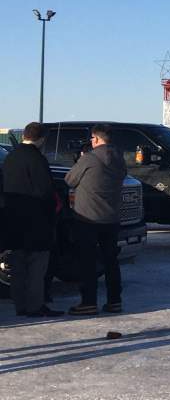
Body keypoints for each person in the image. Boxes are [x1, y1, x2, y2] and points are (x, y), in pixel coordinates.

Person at [65, 123, 128, 315]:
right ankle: (114, 300)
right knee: (111, 261)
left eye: (92, 138)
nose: (91, 141)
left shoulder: (89, 159)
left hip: (88, 218)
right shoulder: (119, 159)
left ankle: (88, 302)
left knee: (88, 261)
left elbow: (69, 180)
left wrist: (80, 160)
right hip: (112, 217)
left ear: (97, 139)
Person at [2, 122, 62, 317]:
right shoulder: (37, 159)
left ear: (24, 135)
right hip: (36, 222)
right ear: (42, 139)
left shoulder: (11, 157)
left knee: (18, 267)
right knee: (37, 268)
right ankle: (35, 305)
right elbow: (46, 191)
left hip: (13, 220)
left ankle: (20, 304)